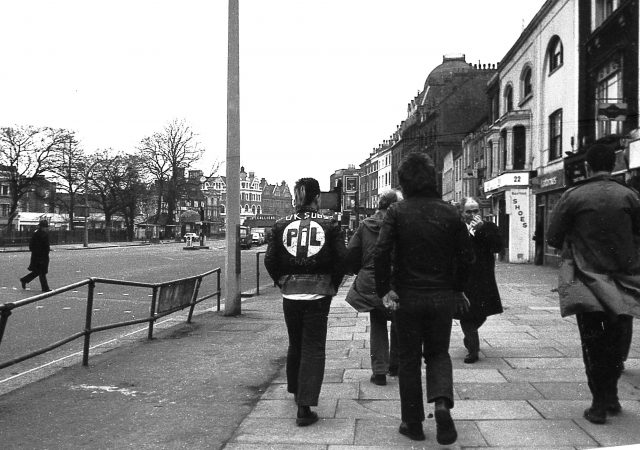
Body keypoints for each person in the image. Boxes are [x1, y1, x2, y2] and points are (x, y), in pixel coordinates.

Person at [374, 153, 473, 445]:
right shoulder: (451, 212)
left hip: (407, 297)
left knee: (408, 360)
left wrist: (384, 290)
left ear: (404, 182)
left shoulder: (396, 212)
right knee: (438, 353)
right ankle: (441, 403)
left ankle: (413, 423)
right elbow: (467, 256)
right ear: (432, 179)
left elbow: (380, 253)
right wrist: (458, 288)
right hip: (441, 296)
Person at [547, 143, 640, 424]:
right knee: (617, 341)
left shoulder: (573, 196)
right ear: (614, 164)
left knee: (593, 343)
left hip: (586, 282)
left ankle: (599, 404)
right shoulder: (630, 196)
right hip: (624, 282)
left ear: (586, 166)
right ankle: (611, 397)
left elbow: (552, 237)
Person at [264, 177, 347, 427]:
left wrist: (281, 281)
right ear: (316, 198)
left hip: (290, 292)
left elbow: (270, 260)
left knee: (296, 342)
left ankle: (295, 388)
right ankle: (305, 405)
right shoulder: (331, 224)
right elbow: (341, 259)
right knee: (314, 346)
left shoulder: (280, 225)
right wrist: (333, 282)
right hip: (319, 292)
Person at [345, 190, 400, 386]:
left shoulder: (365, 225)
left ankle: (379, 372)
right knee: (398, 321)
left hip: (371, 281)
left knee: (378, 323)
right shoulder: (401, 224)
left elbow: (351, 252)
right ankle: (395, 365)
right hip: (396, 280)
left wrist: (359, 270)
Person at [455, 197, 503, 364]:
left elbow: (498, 246)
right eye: (469, 211)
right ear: (462, 213)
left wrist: (482, 230)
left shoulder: (489, 227)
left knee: (481, 314)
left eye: (476, 211)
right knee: (466, 315)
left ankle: (470, 338)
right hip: (464, 278)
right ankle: (473, 350)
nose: (473, 214)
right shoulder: (457, 229)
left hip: (483, 278)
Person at [20, 218, 52, 292]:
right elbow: (44, 247)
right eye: (45, 227)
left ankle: (24, 280)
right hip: (41, 256)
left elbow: (31, 246)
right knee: (42, 272)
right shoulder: (42, 235)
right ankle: (45, 288)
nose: (46, 228)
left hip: (37, 256)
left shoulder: (37, 233)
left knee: (38, 272)